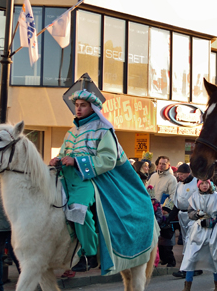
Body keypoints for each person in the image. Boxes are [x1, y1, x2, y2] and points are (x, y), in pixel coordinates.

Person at [51, 89, 155, 275]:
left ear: (92, 108)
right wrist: (57, 159)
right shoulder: (71, 132)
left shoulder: (103, 129)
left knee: (78, 209)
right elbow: (63, 153)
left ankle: (89, 252)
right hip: (66, 178)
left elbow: (108, 159)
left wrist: (77, 161)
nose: (79, 109)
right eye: (77, 105)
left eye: (83, 105)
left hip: (88, 180)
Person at [177, 178, 217, 291]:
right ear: (198, 185)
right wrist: (196, 215)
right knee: (190, 257)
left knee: (213, 258)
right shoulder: (194, 196)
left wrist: (211, 221)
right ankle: (187, 288)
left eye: (206, 183)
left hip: (212, 230)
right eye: (201, 183)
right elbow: (190, 212)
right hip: (197, 230)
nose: (204, 185)